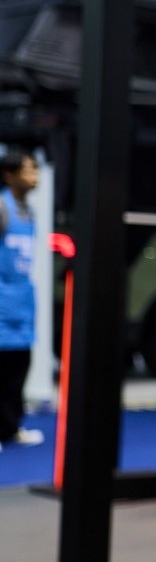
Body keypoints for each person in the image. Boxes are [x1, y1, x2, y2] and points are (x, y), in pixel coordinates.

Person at [0, 153, 44, 449]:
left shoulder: (27, 211)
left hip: (21, 303)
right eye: (28, 170)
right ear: (9, 175)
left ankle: (10, 427)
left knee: (18, 369)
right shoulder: (2, 207)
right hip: (2, 301)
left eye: (35, 170)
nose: (35, 176)